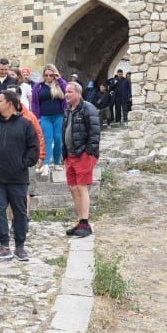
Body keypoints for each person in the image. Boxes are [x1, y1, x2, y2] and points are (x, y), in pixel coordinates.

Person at [0, 90, 39, 262]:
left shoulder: (26, 124)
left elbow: (34, 148)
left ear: (9, 103)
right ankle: (4, 246)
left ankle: (20, 247)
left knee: (20, 212)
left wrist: (23, 164)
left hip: (18, 178)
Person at [63, 81, 101, 238]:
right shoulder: (68, 110)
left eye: (70, 92)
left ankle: (85, 223)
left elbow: (95, 132)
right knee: (73, 188)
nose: (66, 94)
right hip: (70, 155)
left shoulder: (88, 109)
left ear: (78, 93)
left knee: (81, 187)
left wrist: (89, 152)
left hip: (83, 154)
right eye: (66, 91)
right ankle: (80, 221)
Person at [31, 64, 67, 173]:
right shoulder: (38, 86)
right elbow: (34, 102)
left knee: (58, 139)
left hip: (59, 116)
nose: (48, 77)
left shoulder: (59, 84)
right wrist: (36, 117)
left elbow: (67, 89)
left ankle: (56, 163)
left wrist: (59, 79)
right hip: (45, 117)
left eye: (51, 75)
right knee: (48, 139)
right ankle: (46, 164)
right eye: (46, 75)